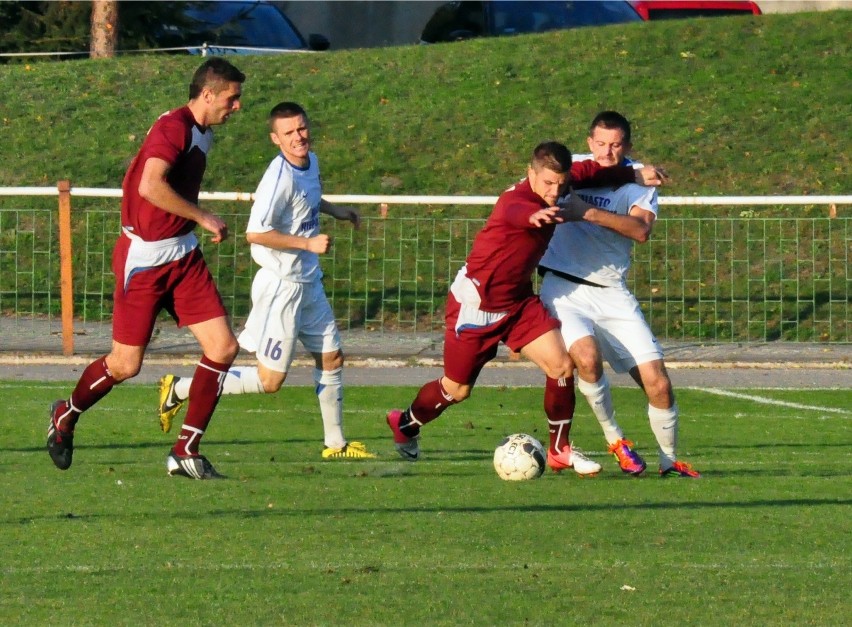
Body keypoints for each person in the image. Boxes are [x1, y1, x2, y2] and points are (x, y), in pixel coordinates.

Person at [385, 141, 658, 474]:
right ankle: (405, 424)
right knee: (457, 389)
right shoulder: (515, 201)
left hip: (517, 302)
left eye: (561, 184)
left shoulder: (562, 184)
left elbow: (590, 171)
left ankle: (560, 449)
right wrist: (535, 215)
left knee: (561, 365)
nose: (555, 192)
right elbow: (517, 213)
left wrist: (633, 173)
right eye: (547, 184)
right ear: (531, 173)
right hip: (476, 305)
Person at [46, 58, 246, 480]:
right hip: (146, 260)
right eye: (232, 97)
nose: (237, 106)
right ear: (207, 94)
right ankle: (66, 414)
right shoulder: (174, 128)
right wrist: (202, 216)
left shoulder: (201, 131)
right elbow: (149, 185)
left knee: (223, 347)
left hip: (182, 256)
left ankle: (185, 450)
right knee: (124, 365)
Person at [157, 102, 376, 460]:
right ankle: (180, 388)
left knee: (332, 358)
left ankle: (335, 445)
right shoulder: (278, 178)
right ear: (276, 139)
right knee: (270, 381)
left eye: (302, 129)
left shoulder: (310, 162)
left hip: (308, 282)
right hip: (281, 286)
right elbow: (255, 233)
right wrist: (307, 243)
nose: (298, 137)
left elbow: (308, 199)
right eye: (289, 133)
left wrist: (336, 211)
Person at [539, 110, 701, 478]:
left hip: (612, 293)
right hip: (564, 288)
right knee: (587, 358)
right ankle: (617, 441)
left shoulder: (641, 179)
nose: (607, 152)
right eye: (600, 144)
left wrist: (589, 214)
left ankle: (668, 460)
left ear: (627, 145)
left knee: (658, 382)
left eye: (615, 145)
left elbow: (640, 230)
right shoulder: (570, 169)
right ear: (588, 143)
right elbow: (532, 187)